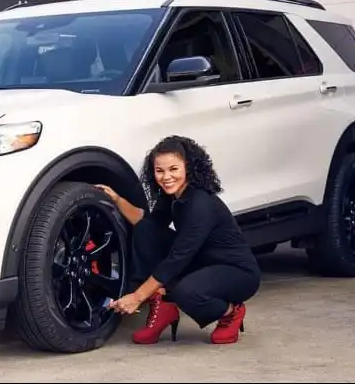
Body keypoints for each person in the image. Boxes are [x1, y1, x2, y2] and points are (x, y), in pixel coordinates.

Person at [95, 135, 261, 345]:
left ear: (188, 168)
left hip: (236, 271)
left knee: (187, 292)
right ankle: (163, 305)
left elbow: (177, 258)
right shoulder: (172, 195)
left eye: (173, 169)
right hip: (201, 261)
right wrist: (118, 200)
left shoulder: (200, 204)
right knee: (146, 230)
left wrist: (137, 296)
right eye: (160, 171)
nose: (166, 177)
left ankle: (231, 312)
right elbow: (149, 224)